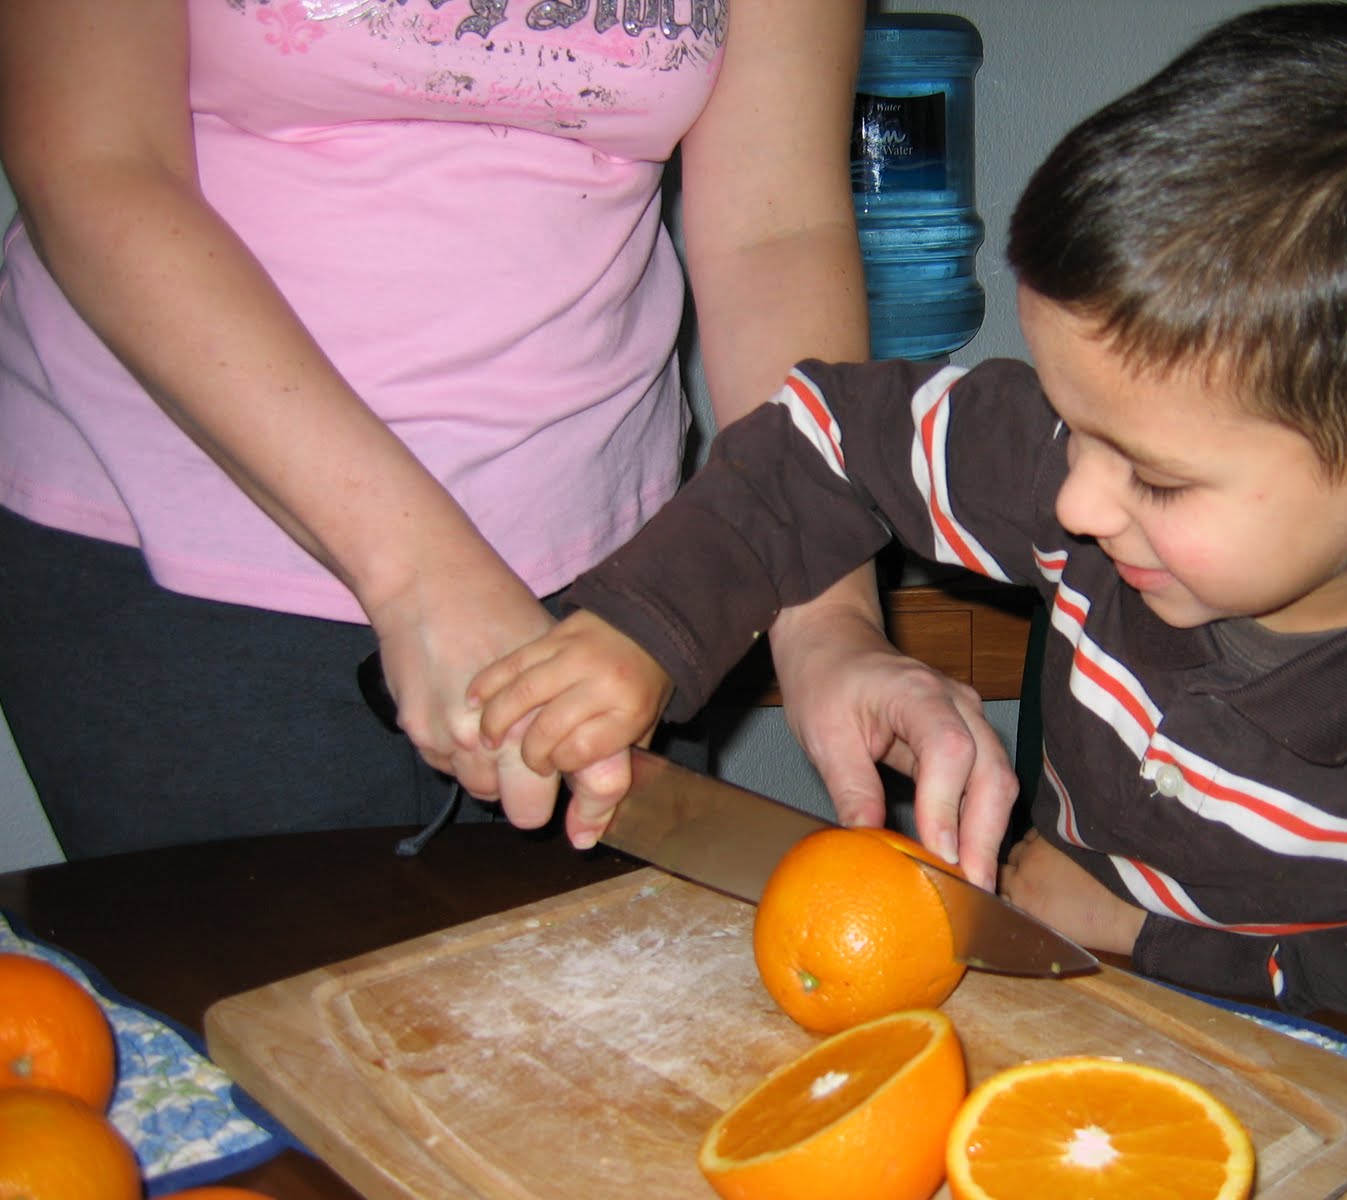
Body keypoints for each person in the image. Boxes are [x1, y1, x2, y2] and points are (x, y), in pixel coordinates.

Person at [466, 1, 1347, 1045]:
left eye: (1154, 477)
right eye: (1069, 421)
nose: (1073, 501)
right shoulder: (1089, 476)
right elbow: (820, 436)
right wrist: (643, 630)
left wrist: (1140, 938)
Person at [0, 0, 1014, 859]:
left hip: (625, 590)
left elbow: (774, 228)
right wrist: (418, 572)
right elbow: (94, 162)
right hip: (180, 552)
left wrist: (824, 617)